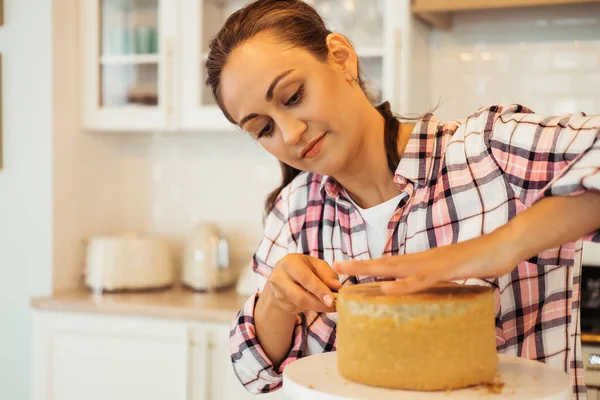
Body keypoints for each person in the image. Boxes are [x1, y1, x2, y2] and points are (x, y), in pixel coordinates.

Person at [204, 0, 600, 398]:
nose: (290, 134)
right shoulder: (294, 210)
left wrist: (501, 246)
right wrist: (277, 299)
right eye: (264, 128)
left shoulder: (487, 151)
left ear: (340, 59)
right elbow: (253, 373)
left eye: (293, 97)